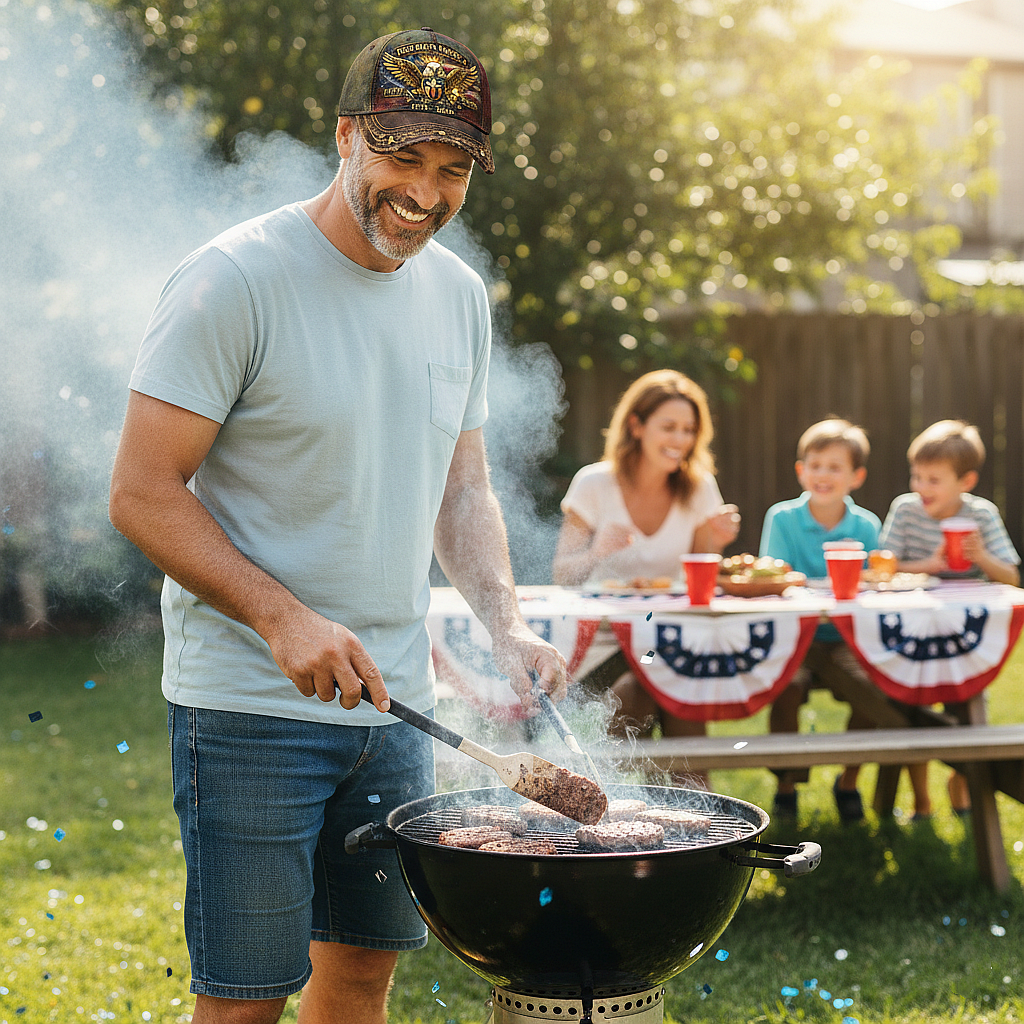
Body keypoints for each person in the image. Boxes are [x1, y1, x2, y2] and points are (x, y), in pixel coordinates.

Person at [108, 28, 567, 1024]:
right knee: (245, 998)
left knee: (361, 973)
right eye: (402, 157)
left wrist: (505, 622)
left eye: (451, 170)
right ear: (347, 134)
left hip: (391, 707)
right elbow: (143, 491)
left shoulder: (459, 297)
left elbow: (462, 488)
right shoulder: (234, 279)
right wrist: (282, 620)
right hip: (248, 705)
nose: (425, 191)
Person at [551, 369, 741, 784]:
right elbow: (563, 574)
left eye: (689, 430)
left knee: (649, 685)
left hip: (670, 635)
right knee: (663, 684)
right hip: (602, 643)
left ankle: (630, 800)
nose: (680, 440)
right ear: (635, 426)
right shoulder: (594, 484)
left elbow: (699, 576)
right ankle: (691, 805)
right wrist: (597, 551)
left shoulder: (699, 487)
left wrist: (718, 542)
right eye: (668, 427)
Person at [879, 419, 1020, 817]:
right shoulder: (905, 511)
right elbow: (884, 568)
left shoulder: (982, 514)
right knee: (912, 704)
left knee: (967, 705)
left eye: (933, 479)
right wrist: (929, 563)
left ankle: (960, 783)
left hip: (964, 631)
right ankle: (921, 798)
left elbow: (1011, 576)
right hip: (912, 626)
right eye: (916, 476)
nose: (921, 487)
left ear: (966, 481)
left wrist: (981, 557)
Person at [759, 418, 882, 821]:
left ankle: (848, 780)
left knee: (877, 687)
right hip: (796, 637)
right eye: (815, 465)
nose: (823, 475)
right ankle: (786, 786)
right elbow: (773, 577)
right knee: (786, 687)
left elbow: (876, 582)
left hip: (846, 637)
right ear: (801, 470)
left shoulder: (866, 525)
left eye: (835, 467)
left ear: (856, 476)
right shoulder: (782, 518)